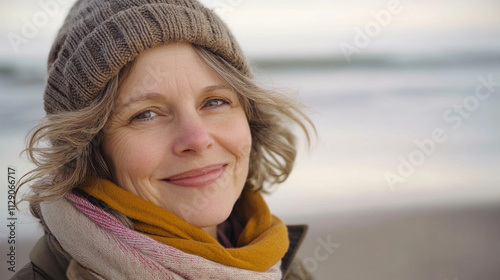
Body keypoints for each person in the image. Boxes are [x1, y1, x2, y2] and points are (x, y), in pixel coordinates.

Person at [12, 0, 314, 279]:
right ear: (89, 150)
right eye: (145, 115)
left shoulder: (280, 264)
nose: (196, 139)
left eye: (214, 102)